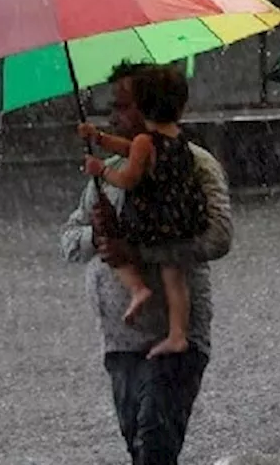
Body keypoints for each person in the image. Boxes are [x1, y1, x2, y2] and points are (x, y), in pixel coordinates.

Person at [61, 61, 233, 465]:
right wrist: (97, 235)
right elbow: (68, 240)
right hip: (120, 340)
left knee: (156, 442)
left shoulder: (192, 162)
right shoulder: (107, 177)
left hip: (176, 333)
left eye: (123, 104)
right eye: (111, 105)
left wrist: (144, 252)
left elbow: (219, 237)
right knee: (141, 445)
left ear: (149, 107)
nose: (114, 115)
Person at [79, 64, 208, 360]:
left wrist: (102, 169)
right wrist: (98, 137)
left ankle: (137, 288)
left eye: (123, 104)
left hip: (152, 224)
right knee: (175, 278)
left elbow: (129, 176)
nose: (115, 113)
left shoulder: (143, 142)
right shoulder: (177, 138)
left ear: (142, 107)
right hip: (179, 222)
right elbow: (130, 148)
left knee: (114, 246)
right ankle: (178, 333)